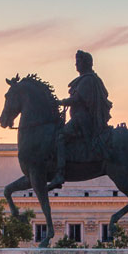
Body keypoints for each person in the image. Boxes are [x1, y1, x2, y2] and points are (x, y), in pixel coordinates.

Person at [51, 50, 112, 189]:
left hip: (82, 119)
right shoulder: (87, 79)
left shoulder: (88, 79)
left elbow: (77, 99)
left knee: (60, 137)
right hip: (80, 117)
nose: (76, 64)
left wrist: (60, 102)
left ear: (86, 63)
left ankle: (60, 173)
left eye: (78, 61)